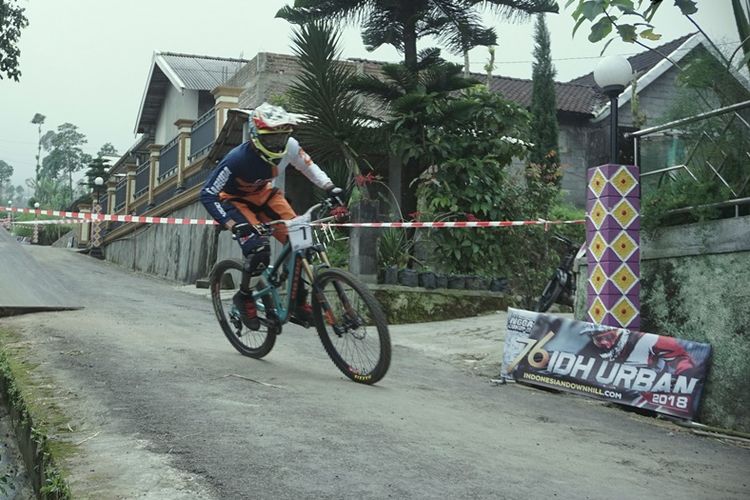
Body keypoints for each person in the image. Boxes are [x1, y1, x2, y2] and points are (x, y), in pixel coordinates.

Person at [200, 102, 342, 330]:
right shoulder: (236, 159)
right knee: (258, 251)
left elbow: (308, 166)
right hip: (235, 201)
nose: (278, 144)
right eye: (271, 139)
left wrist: (330, 187)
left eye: (282, 138)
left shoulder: (291, 146)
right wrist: (232, 225)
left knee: (302, 243)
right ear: (256, 137)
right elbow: (207, 194)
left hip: (266, 195)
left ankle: (297, 302)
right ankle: (244, 296)